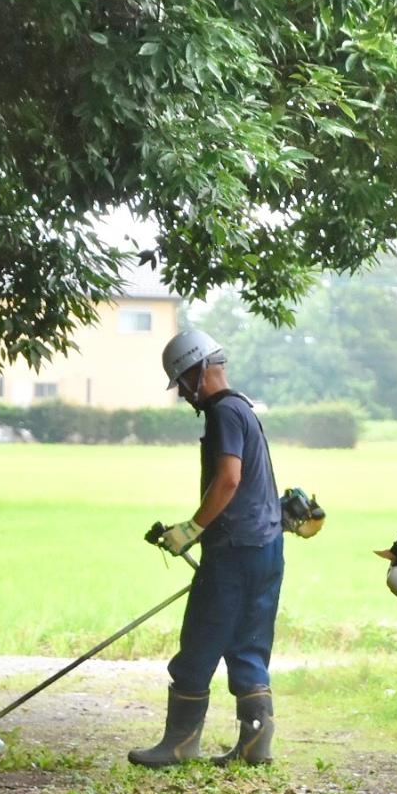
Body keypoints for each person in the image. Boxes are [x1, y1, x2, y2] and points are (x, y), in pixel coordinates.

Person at [128, 328, 284, 768]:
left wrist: (193, 528)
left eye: (181, 382)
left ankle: (178, 744)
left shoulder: (222, 414)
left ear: (197, 372)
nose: (181, 394)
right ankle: (255, 745)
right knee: (248, 644)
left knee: (200, 641)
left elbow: (230, 479)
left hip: (233, 550)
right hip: (267, 548)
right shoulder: (246, 409)